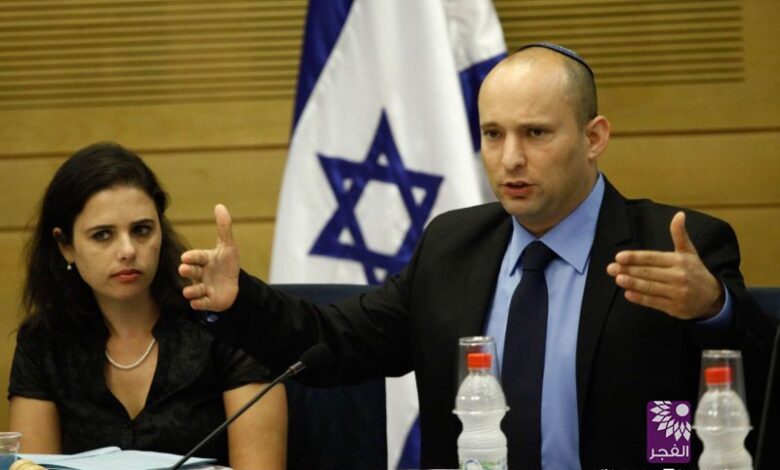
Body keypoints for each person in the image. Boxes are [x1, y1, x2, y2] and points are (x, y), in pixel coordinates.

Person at [178, 44, 776, 469]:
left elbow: (760, 377)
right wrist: (240, 302)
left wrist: (714, 309)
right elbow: (335, 343)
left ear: (594, 137)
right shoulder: (452, 247)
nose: (510, 158)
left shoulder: (673, 243)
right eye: (493, 134)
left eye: (536, 133)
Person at [7, 142, 287, 469]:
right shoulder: (43, 341)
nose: (128, 250)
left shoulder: (225, 326)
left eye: (141, 230)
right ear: (65, 245)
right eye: (102, 235)